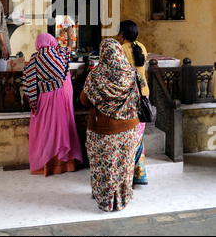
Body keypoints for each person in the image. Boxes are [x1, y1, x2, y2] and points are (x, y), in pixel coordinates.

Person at [80, 38, 145, 212]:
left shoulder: (96, 75)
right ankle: (122, 198)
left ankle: (105, 199)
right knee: (124, 165)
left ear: (103, 54)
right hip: (130, 128)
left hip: (103, 129)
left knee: (104, 166)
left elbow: (84, 100)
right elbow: (142, 94)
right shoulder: (132, 72)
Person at [22, 29, 82, 176]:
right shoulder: (61, 55)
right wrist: (69, 35)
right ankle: (65, 165)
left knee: (46, 131)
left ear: (38, 44)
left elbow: (28, 83)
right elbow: (69, 49)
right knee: (62, 129)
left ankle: (45, 165)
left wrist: (33, 103)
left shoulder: (34, 59)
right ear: (52, 42)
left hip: (44, 100)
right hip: (61, 100)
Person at [118, 19, 149, 188]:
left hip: (129, 98)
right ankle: (139, 174)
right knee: (138, 139)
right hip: (144, 96)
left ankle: (128, 177)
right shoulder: (142, 47)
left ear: (122, 33)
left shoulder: (121, 50)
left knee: (128, 138)